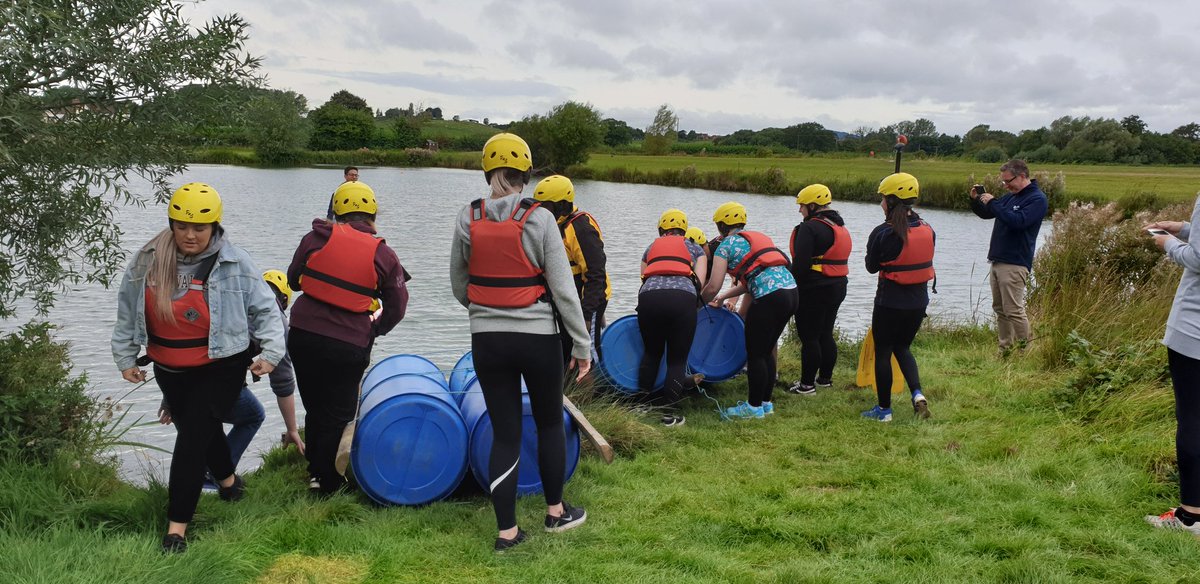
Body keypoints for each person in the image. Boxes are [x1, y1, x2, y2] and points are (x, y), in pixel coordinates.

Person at [111, 182, 286, 553]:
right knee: (201, 430)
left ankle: (176, 530)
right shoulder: (146, 260)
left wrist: (270, 352)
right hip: (169, 368)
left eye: (200, 228)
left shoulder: (235, 263)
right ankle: (228, 484)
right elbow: (128, 308)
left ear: (215, 227)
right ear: (171, 223)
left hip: (220, 365)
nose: (190, 235)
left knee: (191, 441)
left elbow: (266, 310)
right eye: (182, 226)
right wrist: (126, 356)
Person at [450, 133, 591, 552]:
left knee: (505, 432)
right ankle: (555, 512)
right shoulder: (540, 218)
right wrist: (582, 345)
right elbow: (564, 290)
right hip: (537, 339)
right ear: (527, 174)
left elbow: (460, 284)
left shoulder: (467, 216)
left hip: (487, 340)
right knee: (549, 422)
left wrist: (485, 312)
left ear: (487, 170)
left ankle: (507, 532)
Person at [287, 180, 408, 495]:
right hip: (348, 343)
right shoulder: (384, 254)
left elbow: (292, 280)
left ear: (336, 211)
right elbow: (397, 307)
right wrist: (375, 329)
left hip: (303, 335)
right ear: (372, 215)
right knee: (340, 412)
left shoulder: (314, 239)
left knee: (316, 406)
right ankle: (326, 481)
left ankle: (317, 469)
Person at [155, 269, 305, 487]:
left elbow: (186, 344)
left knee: (197, 429)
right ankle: (216, 475)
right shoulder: (276, 322)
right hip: (216, 379)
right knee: (253, 415)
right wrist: (292, 430)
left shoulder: (230, 299)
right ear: (283, 300)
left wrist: (169, 398)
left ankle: (204, 478)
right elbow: (283, 382)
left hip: (179, 376)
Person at [700, 201, 798, 419]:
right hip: (791, 292)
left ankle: (752, 407)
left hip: (769, 298)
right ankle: (765, 404)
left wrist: (700, 302)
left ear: (722, 226)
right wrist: (723, 298)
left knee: (755, 353)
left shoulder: (725, 246)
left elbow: (713, 285)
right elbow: (752, 278)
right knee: (767, 350)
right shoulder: (758, 238)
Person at [862, 172, 934, 422]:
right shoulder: (927, 228)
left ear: (891, 201)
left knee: (884, 351)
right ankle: (917, 394)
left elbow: (871, 267)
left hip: (889, 302)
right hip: (918, 303)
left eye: (883, 198)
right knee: (903, 347)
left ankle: (884, 410)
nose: (881, 203)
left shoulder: (883, 232)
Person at [1145, 208, 1200, 533]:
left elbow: (1198, 258)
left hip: (1195, 331)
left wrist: (1167, 243)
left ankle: (1191, 516)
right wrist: (1184, 228)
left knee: (1192, 419)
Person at [638, 209, 709, 427]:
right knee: (676, 360)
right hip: (682, 298)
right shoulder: (696, 248)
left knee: (651, 352)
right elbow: (700, 282)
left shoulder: (651, 247)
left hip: (649, 297)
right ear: (684, 229)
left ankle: (641, 405)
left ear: (662, 229)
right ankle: (669, 416)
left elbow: (642, 277)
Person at [968, 159, 1048, 354]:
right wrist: (977, 201)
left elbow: (1018, 221)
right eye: (1003, 182)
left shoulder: (1037, 199)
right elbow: (988, 213)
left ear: (1021, 176)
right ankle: (1005, 350)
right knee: (1000, 308)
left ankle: (1024, 351)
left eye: (1008, 181)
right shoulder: (1012, 196)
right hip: (998, 260)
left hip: (1015, 262)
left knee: (1013, 310)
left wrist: (994, 202)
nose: (1006, 185)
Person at [532, 174, 611, 365]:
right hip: (567, 301)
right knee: (567, 352)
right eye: (540, 207)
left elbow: (596, 273)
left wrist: (586, 315)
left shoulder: (580, 227)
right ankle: (568, 391)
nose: (543, 213)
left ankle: (591, 394)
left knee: (586, 353)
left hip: (587, 302)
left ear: (562, 205)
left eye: (547, 207)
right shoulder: (553, 228)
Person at [787, 184, 851, 395]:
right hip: (838, 286)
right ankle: (824, 379)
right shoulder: (839, 225)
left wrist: (792, 287)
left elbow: (801, 264)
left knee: (810, 337)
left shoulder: (809, 228)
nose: (800, 211)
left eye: (802, 206)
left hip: (814, 287)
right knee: (826, 333)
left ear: (813, 206)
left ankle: (806, 385)